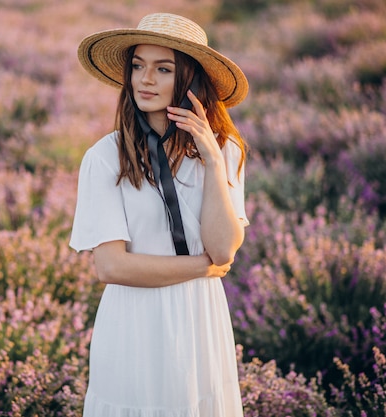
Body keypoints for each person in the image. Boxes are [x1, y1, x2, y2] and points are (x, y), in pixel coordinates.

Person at [70, 12, 249, 417]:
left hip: (200, 321)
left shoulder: (226, 151)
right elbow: (111, 266)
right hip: (133, 323)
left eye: (162, 68)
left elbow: (223, 249)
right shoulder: (103, 158)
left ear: (189, 81)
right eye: (138, 66)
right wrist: (201, 268)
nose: (144, 79)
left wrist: (213, 163)